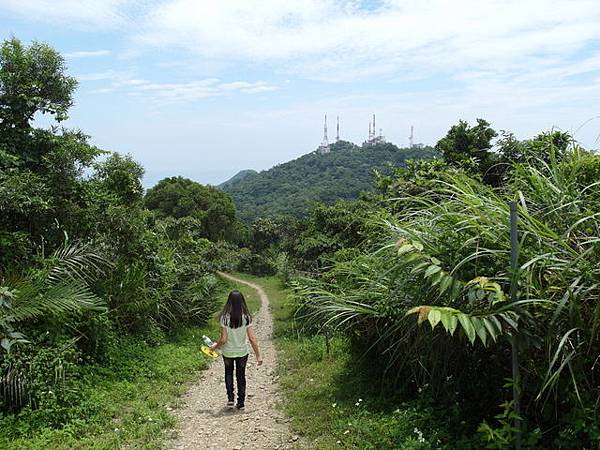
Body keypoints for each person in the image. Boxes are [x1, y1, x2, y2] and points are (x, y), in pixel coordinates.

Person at [210, 290, 262, 410]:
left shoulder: (224, 318)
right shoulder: (246, 317)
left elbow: (223, 339)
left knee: (228, 373)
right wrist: (258, 355)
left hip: (228, 352)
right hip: (242, 352)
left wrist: (214, 346)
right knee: (241, 375)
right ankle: (241, 402)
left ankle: (230, 399)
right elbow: (252, 338)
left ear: (229, 302)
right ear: (242, 302)